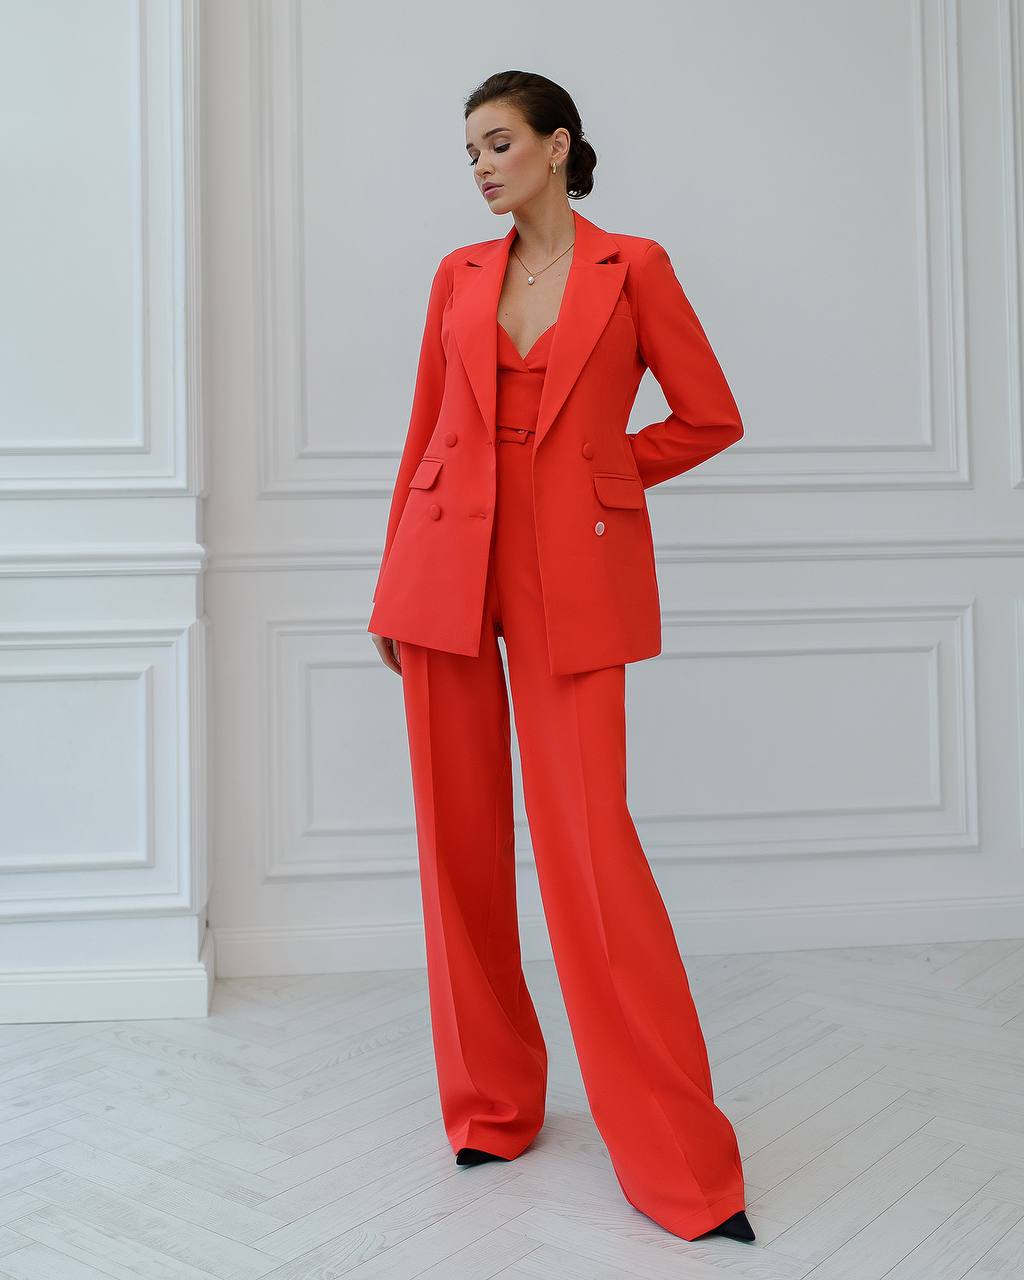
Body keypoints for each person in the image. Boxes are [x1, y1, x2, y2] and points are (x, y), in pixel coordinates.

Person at [368, 70, 752, 1245]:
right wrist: (391, 582)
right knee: (457, 837)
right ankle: (490, 1105)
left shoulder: (633, 267)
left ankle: (678, 1161)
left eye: (497, 143)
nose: (481, 167)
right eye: (469, 152)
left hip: (571, 568)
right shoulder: (457, 274)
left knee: (589, 848)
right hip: (444, 560)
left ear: (556, 144)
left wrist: (603, 469)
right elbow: (426, 429)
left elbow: (709, 413)